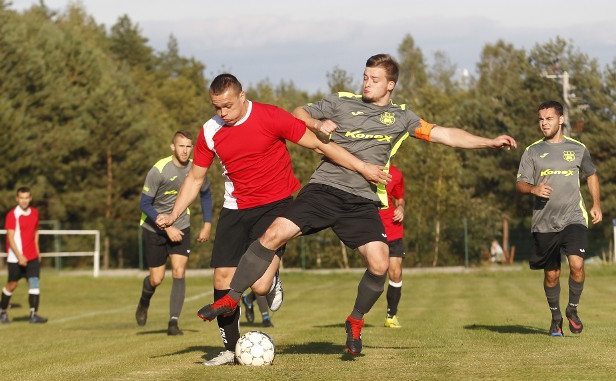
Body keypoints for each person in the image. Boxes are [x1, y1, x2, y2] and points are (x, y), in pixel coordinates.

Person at [195, 54, 517, 355]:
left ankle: (356, 320)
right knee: (273, 233)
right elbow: (299, 113)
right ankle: (231, 298)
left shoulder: (402, 118)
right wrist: (318, 124)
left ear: (390, 85)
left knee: (380, 263)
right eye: (365, 77)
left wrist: (488, 141)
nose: (366, 83)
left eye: (374, 79)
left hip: (362, 200)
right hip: (323, 188)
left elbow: (445, 134)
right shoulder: (341, 102)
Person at [156, 74, 388, 365]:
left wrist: (361, 166)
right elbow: (195, 177)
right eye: (216, 107)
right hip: (235, 207)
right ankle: (229, 349)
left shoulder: (271, 116)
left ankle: (273, 277)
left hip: (276, 205)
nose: (222, 113)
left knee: (261, 288)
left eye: (227, 106)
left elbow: (319, 146)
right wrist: (175, 214)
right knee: (222, 278)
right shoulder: (210, 131)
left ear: (242, 96)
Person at [516, 100, 601, 337]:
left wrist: (595, 204)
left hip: (573, 217)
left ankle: (572, 310)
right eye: (541, 119)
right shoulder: (532, 151)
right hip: (544, 222)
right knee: (551, 275)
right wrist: (532, 189)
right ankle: (556, 319)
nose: (544, 123)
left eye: (549, 119)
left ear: (561, 119)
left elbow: (591, 175)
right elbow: (520, 183)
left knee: (577, 264)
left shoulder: (578, 148)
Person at [135, 130, 213, 336]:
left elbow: (205, 194)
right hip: (153, 227)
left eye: (189, 146)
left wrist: (207, 223)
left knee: (179, 271)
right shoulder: (158, 170)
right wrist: (167, 227)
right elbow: (144, 203)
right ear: (173, 147)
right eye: (181, 146)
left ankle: (173, 322)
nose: (185, 150)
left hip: (182, 225)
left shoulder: (196, 169)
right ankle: (144, 300)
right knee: (157, 279)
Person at [0, 187, 47, 324]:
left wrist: (37, 252)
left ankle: (33, 314)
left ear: (30, 198)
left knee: (34, 283)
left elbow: (35, 233)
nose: (24, 201)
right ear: (17, 199)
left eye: (26, 198)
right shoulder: (12, 215)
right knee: (12, 285)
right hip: (16, 258)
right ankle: (3, 311)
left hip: (32, 257)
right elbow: (11, 238)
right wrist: (19, 256)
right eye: (21, 198)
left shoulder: (35, 213)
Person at [378, 164, 405, 329]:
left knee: (395, 273)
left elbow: (399, 198)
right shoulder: (362, 168)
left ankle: (391, 315)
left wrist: (401, 207)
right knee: (377, 270)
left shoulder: (396, 173)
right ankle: (358, 314)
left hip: (393, 228)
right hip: (371, 228)